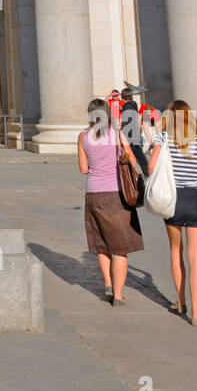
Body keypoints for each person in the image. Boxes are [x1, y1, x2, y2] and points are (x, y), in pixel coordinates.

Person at [147, 99, 197, 325]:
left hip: (173, 199)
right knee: (195, 258)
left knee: (176, 250)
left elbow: (151, 167)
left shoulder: (164, 138)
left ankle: (180, 301)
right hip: (195, 198)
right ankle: (196, 313)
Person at [78, 97, 144, 305]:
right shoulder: (116, 134)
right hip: (117, 193)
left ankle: (108, 284)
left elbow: (83, 169)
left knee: (102, 243)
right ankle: (118, 295)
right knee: (120, 247)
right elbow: (132, 161)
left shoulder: (83, 137)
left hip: (94, 194)